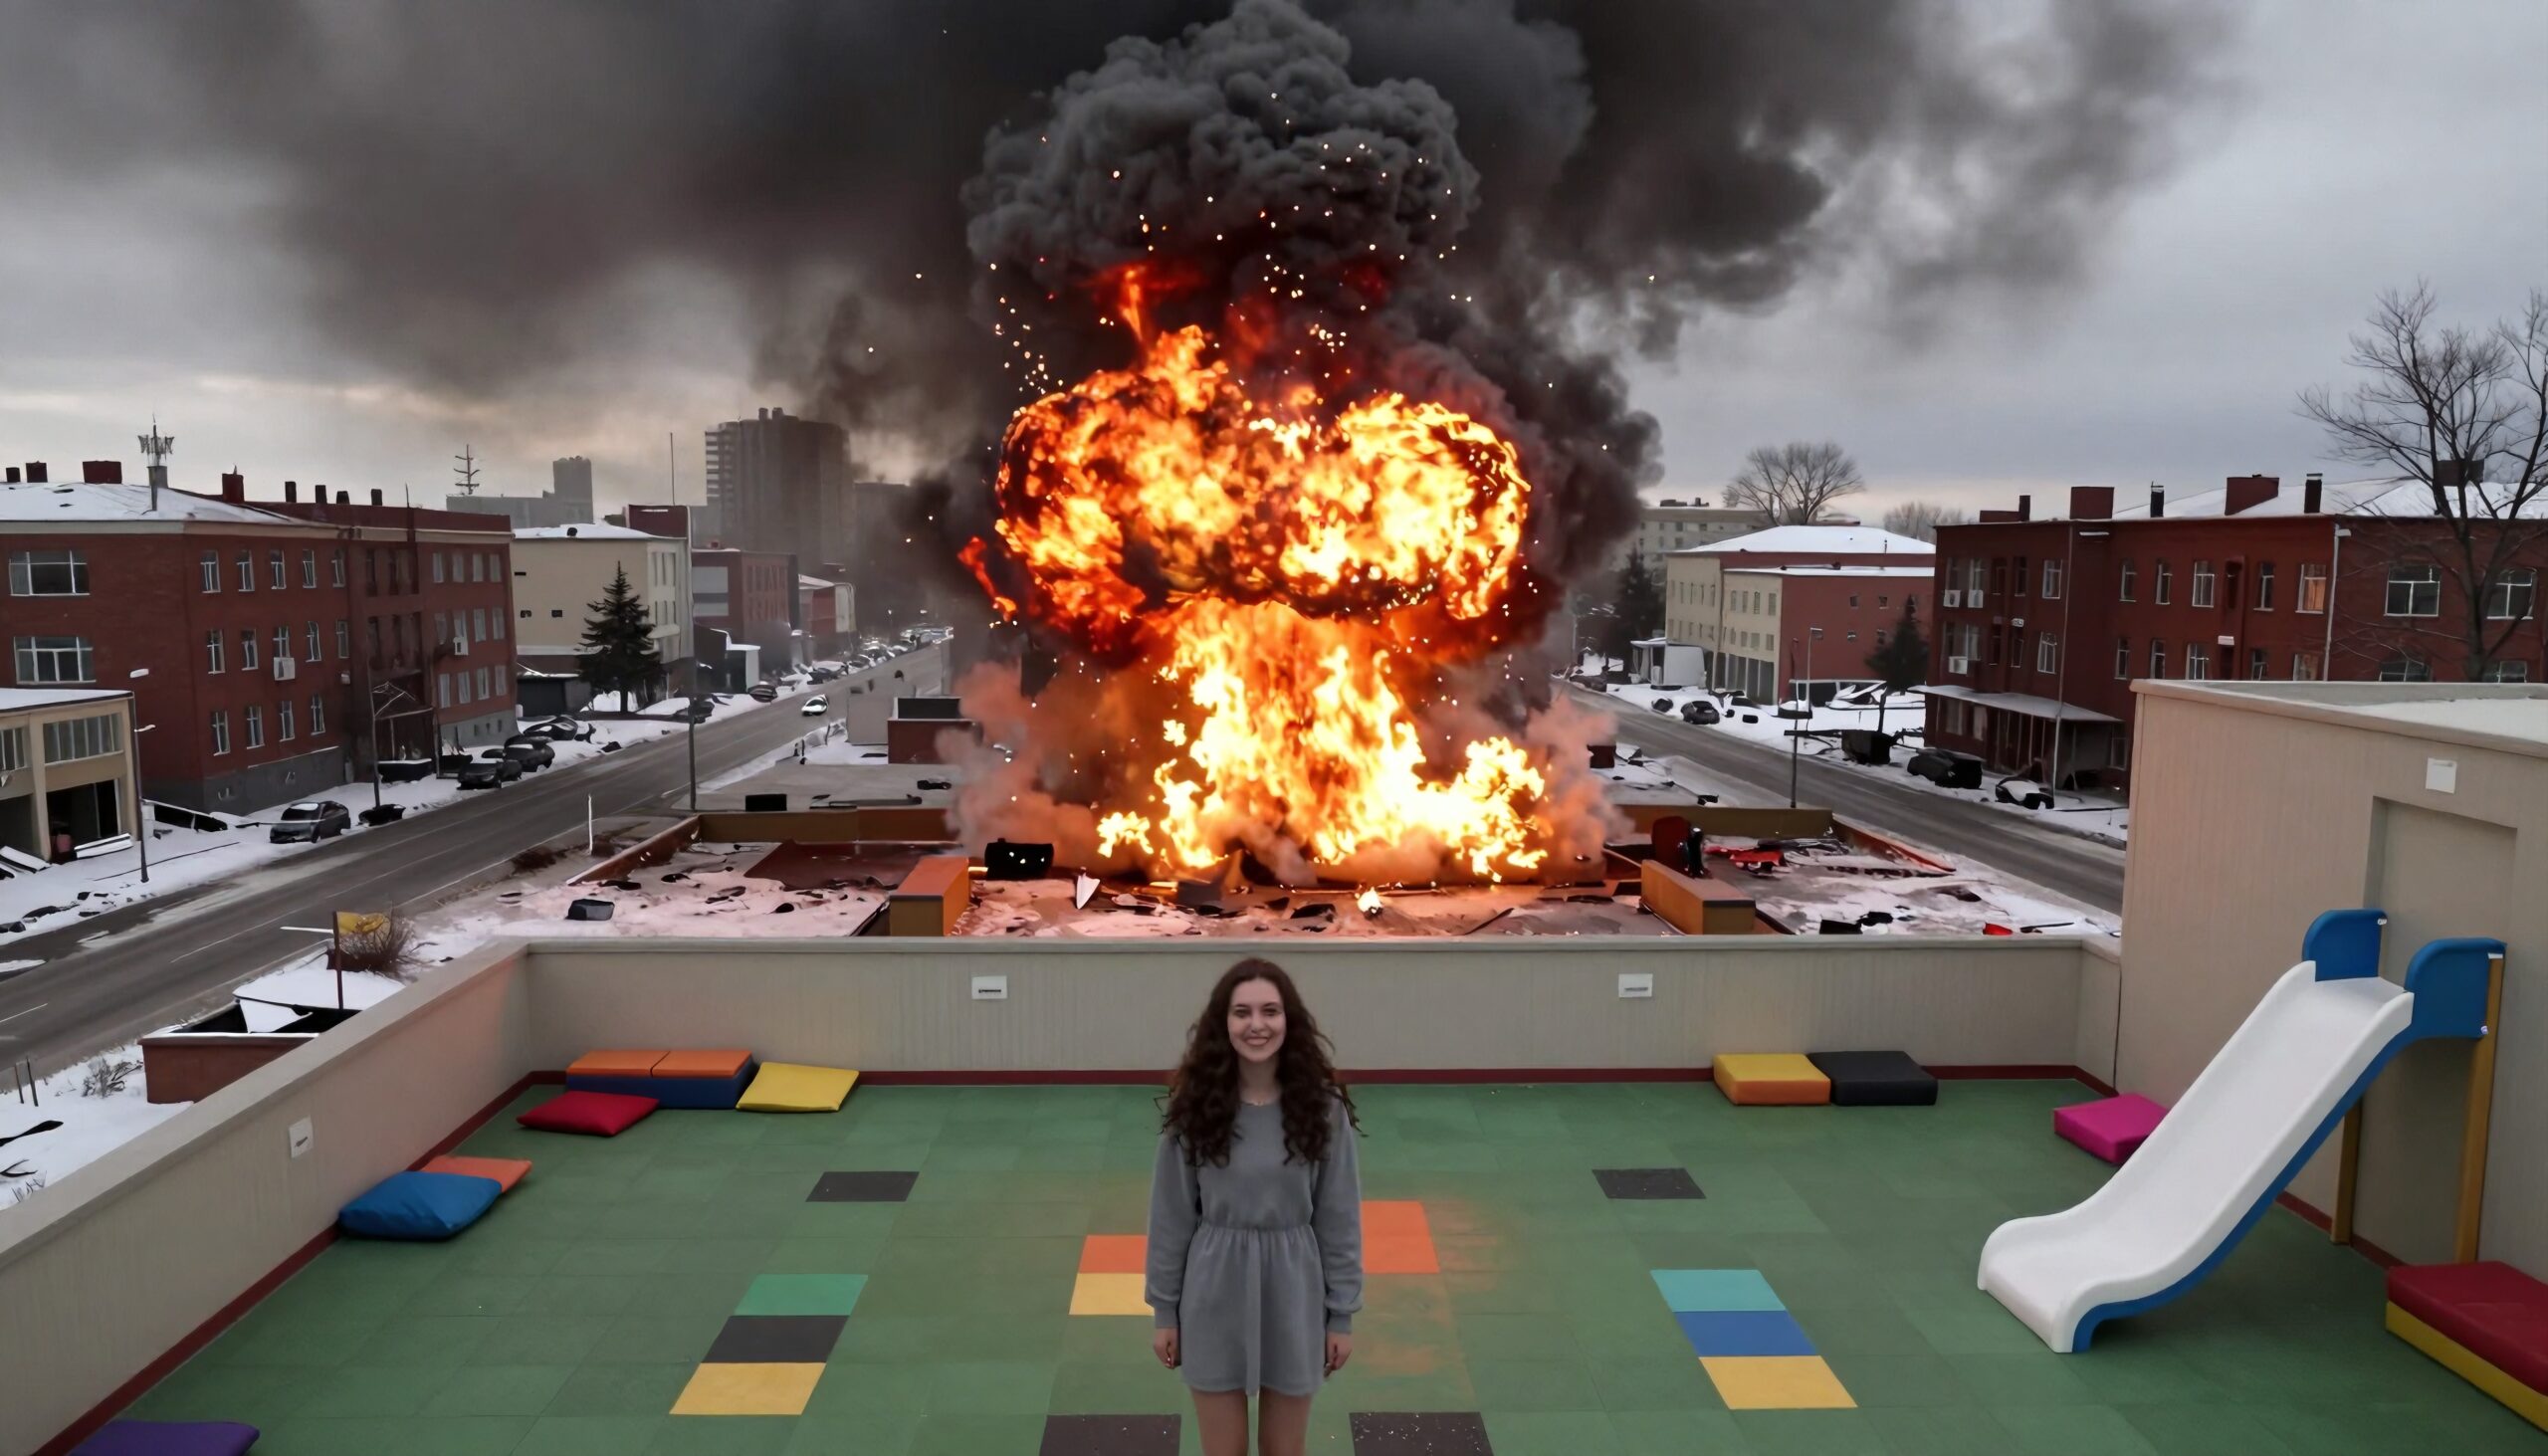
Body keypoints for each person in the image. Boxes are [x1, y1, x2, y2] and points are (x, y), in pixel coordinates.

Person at [1148, 956, 1363, 1456]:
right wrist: (1165, 1311)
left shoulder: (1322, 1110)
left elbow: (1339, 1219)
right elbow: (1171, 1216)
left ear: (1290, 1020)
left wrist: (1341, 1316)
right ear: (1224, 1023)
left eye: (1270, 1010)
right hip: (1213, 1290)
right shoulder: (1196, 1110)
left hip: (1295, 1291)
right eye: (1242, 1012)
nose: (1257, 1025)